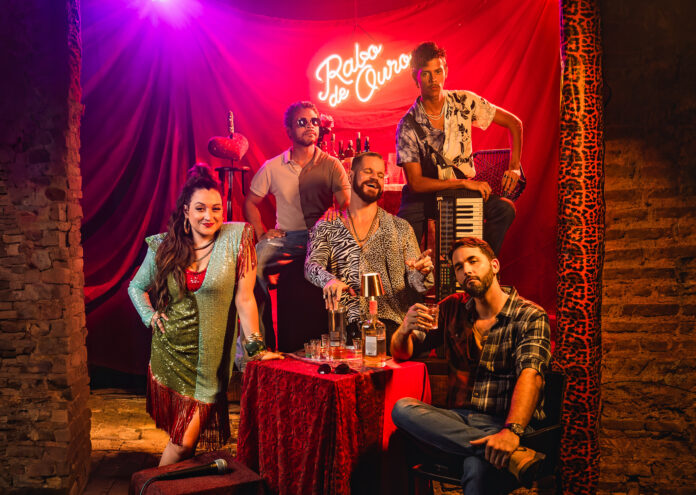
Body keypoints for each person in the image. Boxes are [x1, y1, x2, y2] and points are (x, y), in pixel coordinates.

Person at [128, 165, 281, 466]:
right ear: (186, 211)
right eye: (200, 208)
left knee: (183, 442)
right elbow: (136, 287)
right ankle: (158, 487)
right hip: (172, 353)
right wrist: (150, 316)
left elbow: (245, 298)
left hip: (210, 363)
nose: (208, 216)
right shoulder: (163, 246)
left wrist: (256, 347)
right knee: (183, 443)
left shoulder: (237, 239)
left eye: (215, 208)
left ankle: (153, 486)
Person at [390, 237, 551, 492]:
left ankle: (501, 447)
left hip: (505, 421)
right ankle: (514, 456)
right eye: (458, 266)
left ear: (494, 265)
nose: (466, 270)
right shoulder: (452, 308)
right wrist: (404, 329)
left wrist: (511, 432)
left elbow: (531, 375)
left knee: (476, 468)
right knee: (402, 409)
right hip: (458, 421)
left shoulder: (529, 315)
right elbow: (402, 353)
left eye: (473, 261)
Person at [396, 41, 523, 255]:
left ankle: (481, 265)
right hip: (424, 195)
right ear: (415, 78)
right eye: (426, 74)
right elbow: (416, 183)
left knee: (504, 209)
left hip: (461, 191)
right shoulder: (408, 124)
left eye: (438, 71)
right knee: (403, 244)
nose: (434, 79)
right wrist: (463, 182)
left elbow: (514, 124)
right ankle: (412, 277)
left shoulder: (463, 101)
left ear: (445, 71)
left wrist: (515, 167)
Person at [244, 101, 350, 345]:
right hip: (288, 239)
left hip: (322, 239)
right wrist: (261, 233)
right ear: (289, 131)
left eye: (314, 121)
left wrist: (337, 208)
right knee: (253, 265)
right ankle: (263, 344)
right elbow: (250, 203)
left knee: (349, 260)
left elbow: (346, 202)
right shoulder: (273, 167)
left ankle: (343, 342)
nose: (310, 126)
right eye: (302, 122)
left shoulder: (332, 164)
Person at [305, 152, 434, 343]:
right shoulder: (327, 226)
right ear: (350, 176)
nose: (375, 178)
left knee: (380, 338)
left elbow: (417, 284)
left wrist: (422, 272)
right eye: (368, 171)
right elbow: (311, 266)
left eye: (380, 175)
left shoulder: (401, 228)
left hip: (393, 323)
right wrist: (328, 280)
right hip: (345, 323)